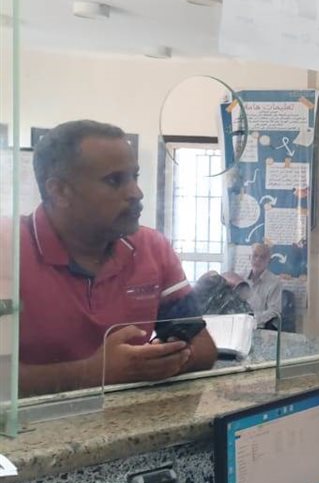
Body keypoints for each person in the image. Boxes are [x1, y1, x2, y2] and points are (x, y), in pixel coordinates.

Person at [19, 120, 217, 396]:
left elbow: (203, 347)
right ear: (60, 191)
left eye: (134, 177)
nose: (136, 192)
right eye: (115, 180)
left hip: (129, 419)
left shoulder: (151, 248)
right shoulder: (9, 252)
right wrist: (92, 373)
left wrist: (156, 363)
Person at [245, 242, 282, 330]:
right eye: (255, 255)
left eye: (262, 257)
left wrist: (253, 320)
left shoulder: (275, 282)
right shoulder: (240, 278)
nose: (258, 260)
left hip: (261, 327)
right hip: (240, 324)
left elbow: (274, 311)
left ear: (269, 261)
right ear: (250, 257)